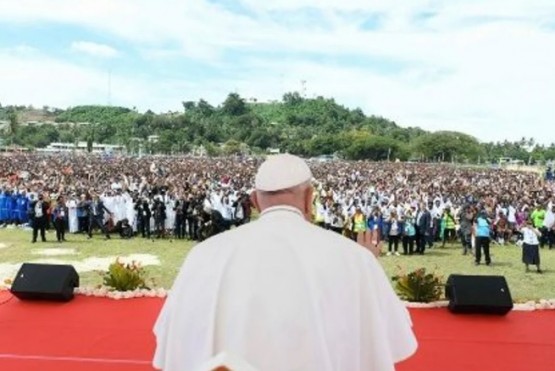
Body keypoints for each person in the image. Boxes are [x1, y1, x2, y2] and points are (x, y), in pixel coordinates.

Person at [153, 154, 417, 371]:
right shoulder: (355, 258)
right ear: (309, 197)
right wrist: (363, 267)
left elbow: (172, 341)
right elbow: (392, 340)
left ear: (255, 201)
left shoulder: (204, 253)